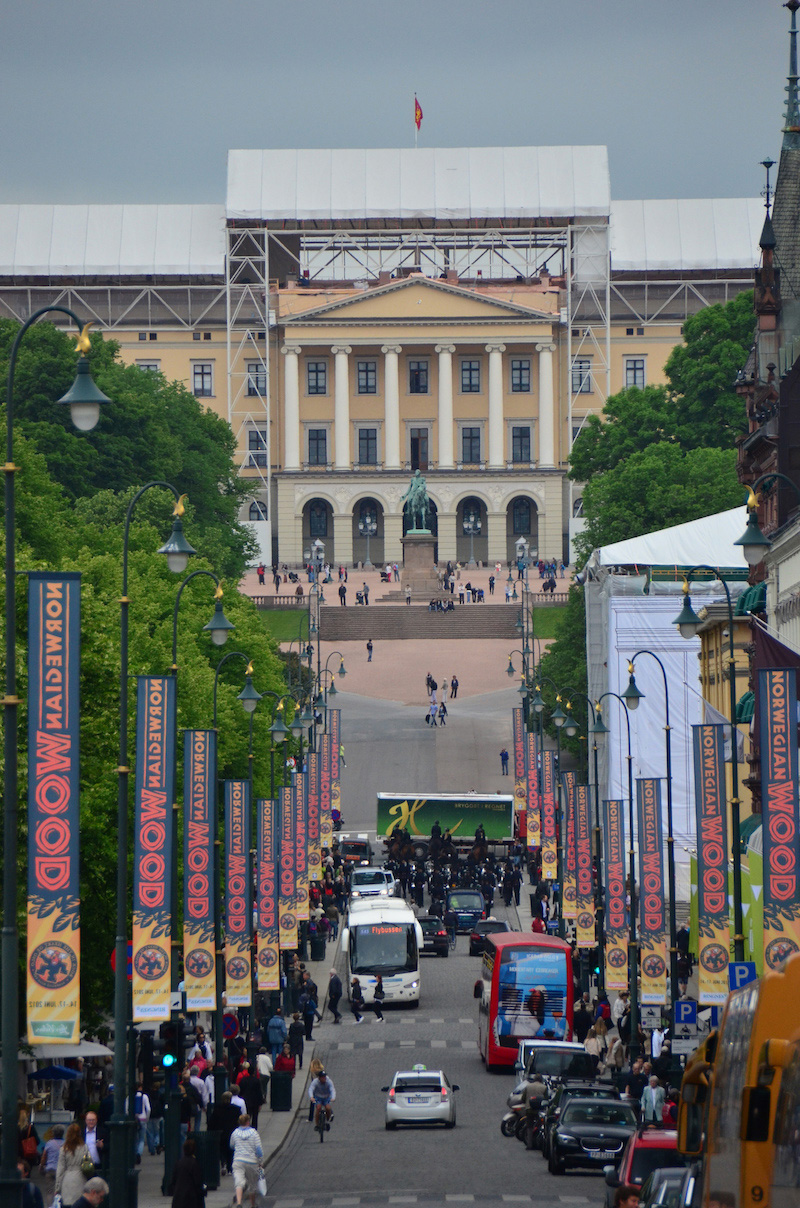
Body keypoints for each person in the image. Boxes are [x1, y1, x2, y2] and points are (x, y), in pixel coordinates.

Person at [230, 1113, 264, 1208]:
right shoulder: (254, 1133)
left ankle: (239, 1203)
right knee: (252, 1185)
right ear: (248, 1122)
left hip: (238, 1160)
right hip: (251, 1161)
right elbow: (259, 1149)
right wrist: (260, 1161)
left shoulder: (235, 1133)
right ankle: (252, 1205)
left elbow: (232, 1145)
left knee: (239, 1182)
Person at [55, 1122, 90, 1208]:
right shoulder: (84, 1147)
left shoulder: (64, 1148)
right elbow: (89, 1161)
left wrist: (57, 1187)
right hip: (81, 1178)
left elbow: (60, 1168)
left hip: (67, 1179)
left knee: (67, 1204)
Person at [168, 1137, 205, 1208]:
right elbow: (198, 1182)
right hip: (191, 1199)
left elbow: (173, 1181)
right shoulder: (194, 1164)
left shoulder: (178, 1163)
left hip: (178, 1199)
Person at [209, 1091, 239, 1176]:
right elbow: (238, 1121)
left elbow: (212, 1122)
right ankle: (230, 1168)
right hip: (231, 1133)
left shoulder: (217, 1108)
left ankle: (223, 1164)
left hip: (221, 1133)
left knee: (222, 1149)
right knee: (230, 1150)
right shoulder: (236, 1109)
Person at [238, 1063, 264, 1131]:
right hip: (255, 1101)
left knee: (248, 1115)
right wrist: (260, 1103)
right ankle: (254, 1129)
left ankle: (247, 1127)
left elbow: (241, 1091)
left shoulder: (243, 1080)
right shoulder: (256, 1080)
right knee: (255, 1117)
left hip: (246, 1100)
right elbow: (259, 1092)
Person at [41, 1124, 65, 1196]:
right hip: (62, 1171)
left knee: (49, 1191)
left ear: (53, 1133)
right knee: (61, 1190)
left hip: (50, 1170)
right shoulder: (66, 1144)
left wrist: (41, 1166)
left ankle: (50, 1206)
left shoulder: (49, 1143)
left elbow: (44, 1156)